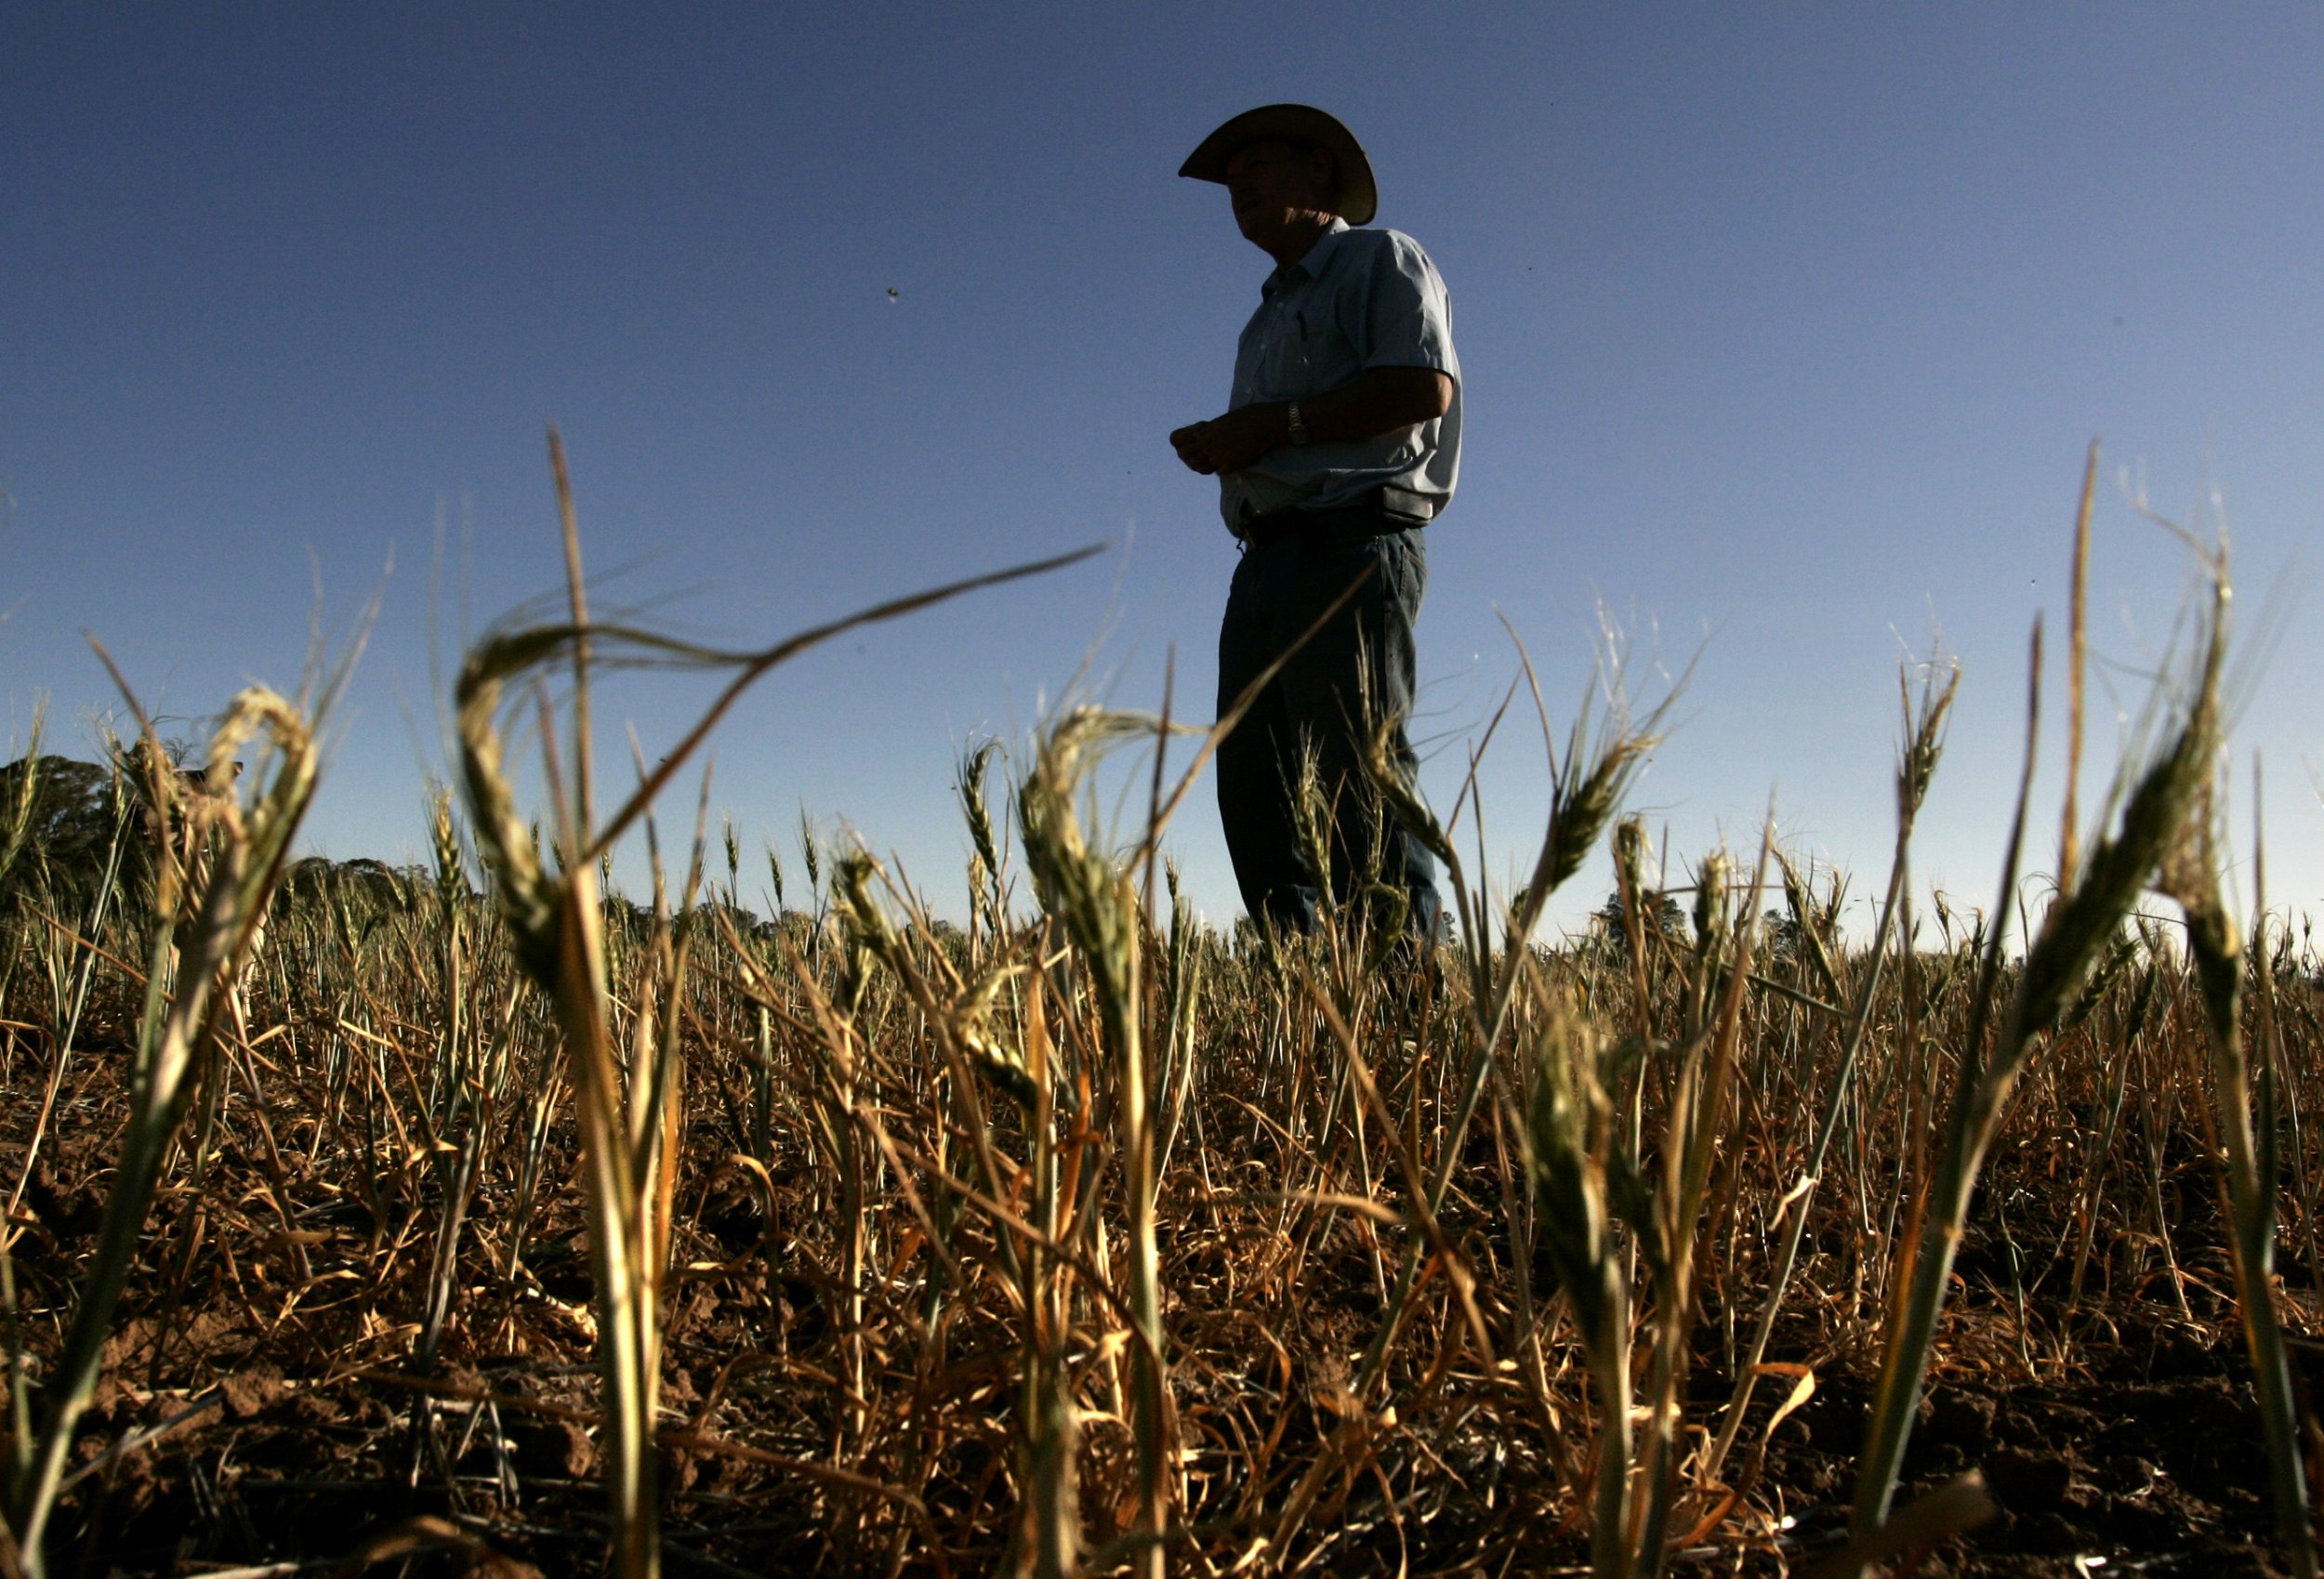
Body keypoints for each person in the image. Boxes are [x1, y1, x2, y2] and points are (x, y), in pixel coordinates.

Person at [1169, 104, 1458, 941]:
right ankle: (1304, 1003)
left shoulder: (1380, 259)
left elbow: (1420, 387)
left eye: (1257, 165)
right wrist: (1231, 448)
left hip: (1351, 544)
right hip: (1264, 560)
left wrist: (1270, 428)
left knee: (1357, 777)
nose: (1239, 187)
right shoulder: (1261, 317)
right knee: (1254, 788)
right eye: (1231, 180)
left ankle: (1407, 1012)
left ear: (1319, 173)